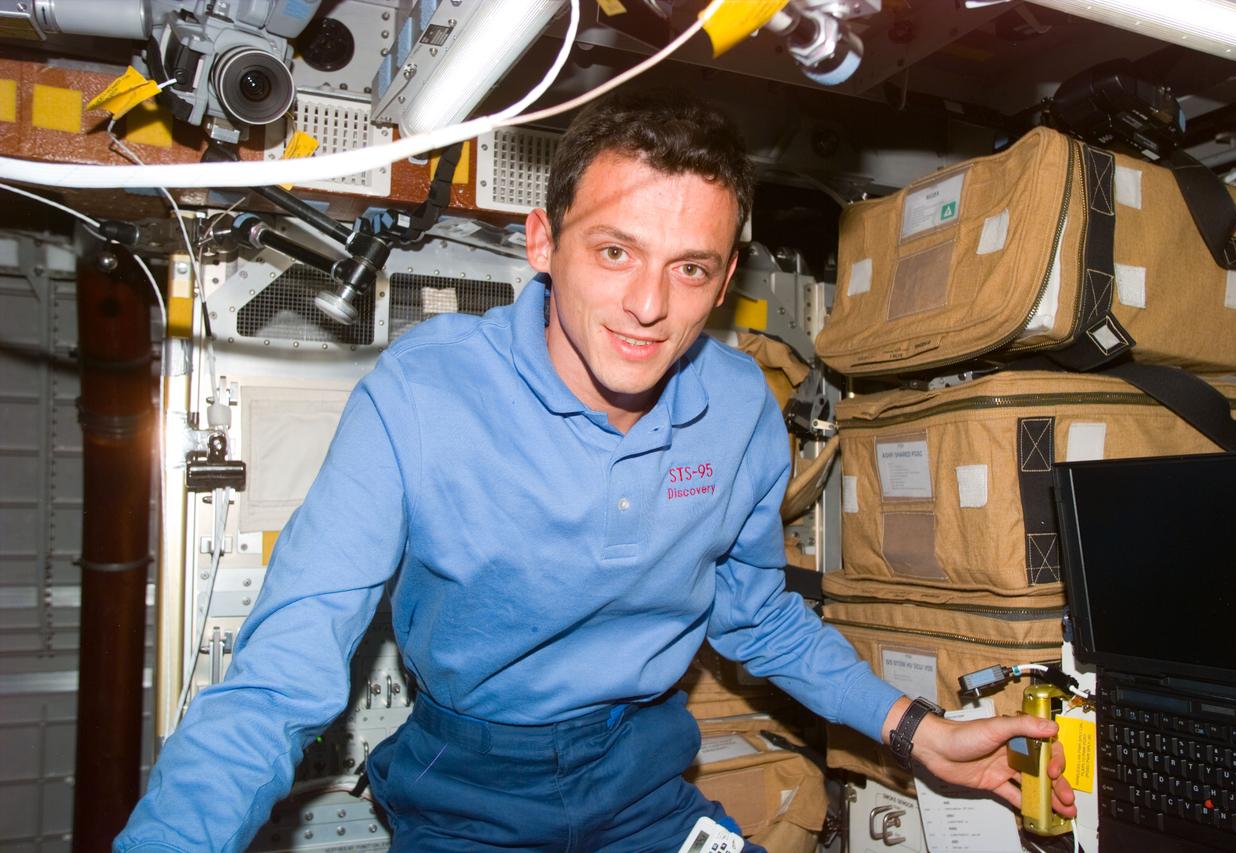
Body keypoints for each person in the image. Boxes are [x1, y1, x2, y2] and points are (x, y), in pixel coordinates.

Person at [115, 89, 1075, 852]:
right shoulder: (424, 393)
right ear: (544, 243)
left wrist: (913, 728)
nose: (650, 304)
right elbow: (280, 680)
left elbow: (756, 613)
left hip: (644, 781)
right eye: (615, 252)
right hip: (468, 792)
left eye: (691, 268)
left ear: (728, 274)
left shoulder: (739, 410)